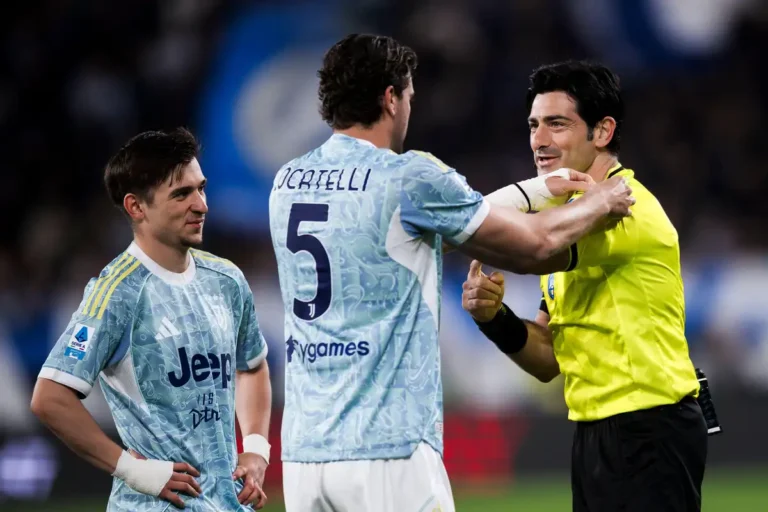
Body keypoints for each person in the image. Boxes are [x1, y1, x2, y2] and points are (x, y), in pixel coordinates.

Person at [269, 34, 635, 512]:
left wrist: (535, 187)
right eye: (410, 97)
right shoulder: (409, 175)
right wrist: (602, 200)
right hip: (389, 449)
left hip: (303, 455)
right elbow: (535, 245)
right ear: (390, 98)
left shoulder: (288, 180)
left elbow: (423, 220)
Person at [462, 60, 709, 512]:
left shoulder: (622, 208)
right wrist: (494, 318)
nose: (539, 140)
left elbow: (529, 249)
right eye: (534, 125)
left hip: (649, 427)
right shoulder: (573, 214)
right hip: (597, 431)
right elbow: (548, 359)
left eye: (557, 124)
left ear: (602, 131)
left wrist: (453, 221)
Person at [30, 128, 273, 511]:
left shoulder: (226, 280)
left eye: (201, 188)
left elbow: (253, 366)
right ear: (136, 207)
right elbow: (50, 397)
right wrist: (131, 470)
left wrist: (256, 449)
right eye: (181, 194)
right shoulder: (117, 293)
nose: (202, 205)